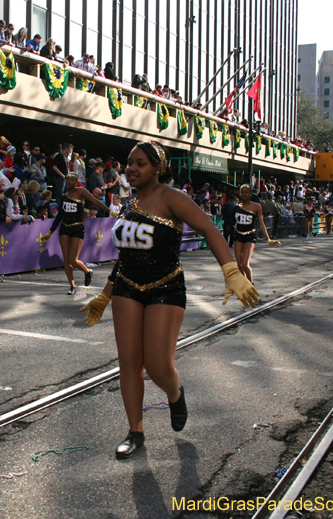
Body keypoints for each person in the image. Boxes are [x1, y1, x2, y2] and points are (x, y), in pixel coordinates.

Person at [103, 140, 259, 459]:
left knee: (159, 365)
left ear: (159, 168)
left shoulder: (173, 198)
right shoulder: (128, 203)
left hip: (165, 287)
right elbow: (126, 252)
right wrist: (105, 293)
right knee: (129, 362)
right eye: (129, 162)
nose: (131, 168)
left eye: (141, 163)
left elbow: (210, 231)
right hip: (127, 287)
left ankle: (174, 394)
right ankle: (135, 431)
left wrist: (231, 271)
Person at [41, 173, 115, 294]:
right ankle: (72, 285)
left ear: (76, 182)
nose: (69, 182)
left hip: (77, 228)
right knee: (66, 259)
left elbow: (96, 202)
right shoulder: (64, 197)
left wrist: (110, 212)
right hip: (64, 228)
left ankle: (87, 271)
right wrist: (50, 232)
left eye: (71, 180)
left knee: (72, 259)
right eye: (67, 180)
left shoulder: (81, 191)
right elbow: (60, 215)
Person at [233, 184, 281, 283]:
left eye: (247, 192)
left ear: (250, 193)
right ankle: (244, 284)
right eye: (242, 192)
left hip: (250, 236)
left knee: (245, 264)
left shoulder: (256, 206)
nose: (244, 194)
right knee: (239, 265)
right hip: (238, 235)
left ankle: (251, 285)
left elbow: (261, 223)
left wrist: (268, 239)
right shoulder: (237, 207)